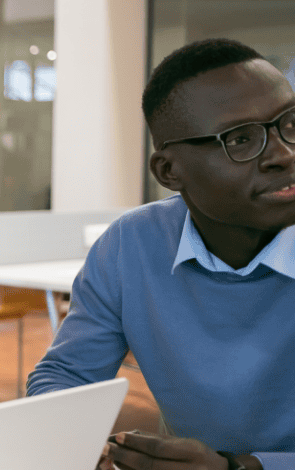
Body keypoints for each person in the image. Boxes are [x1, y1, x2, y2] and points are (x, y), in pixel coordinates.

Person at [27, 38, 295, 470]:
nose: (284, 154)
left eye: (291, 124)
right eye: (241, 139)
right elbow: (66, 376)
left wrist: (242, 467)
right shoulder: (129, 246)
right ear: (170, 171)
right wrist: (77, 443)